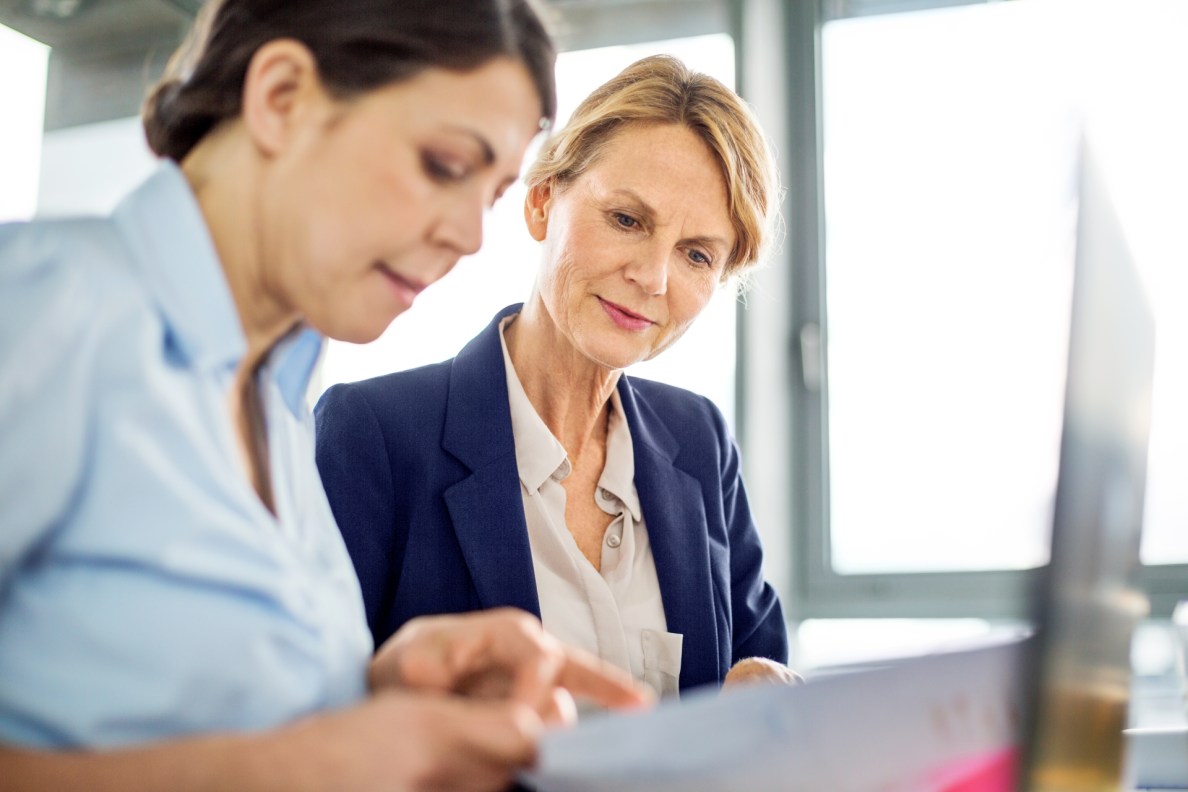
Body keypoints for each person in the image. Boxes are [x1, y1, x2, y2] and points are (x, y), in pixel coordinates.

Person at [0, 1, 652, 790]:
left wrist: (373, 691)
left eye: (489, 194)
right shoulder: (42, 308)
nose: (471, 236)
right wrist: (290, 767)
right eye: (445, 164)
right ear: (281, 97)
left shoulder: (276, 407)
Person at [315, 54, 796, 698]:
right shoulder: (371, 433)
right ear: (543, 202)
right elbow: (308, 716)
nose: (653, 278)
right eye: (627, 220)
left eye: (696, 255)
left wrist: (772, 694)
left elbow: (762, 677)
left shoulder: (702, 440)